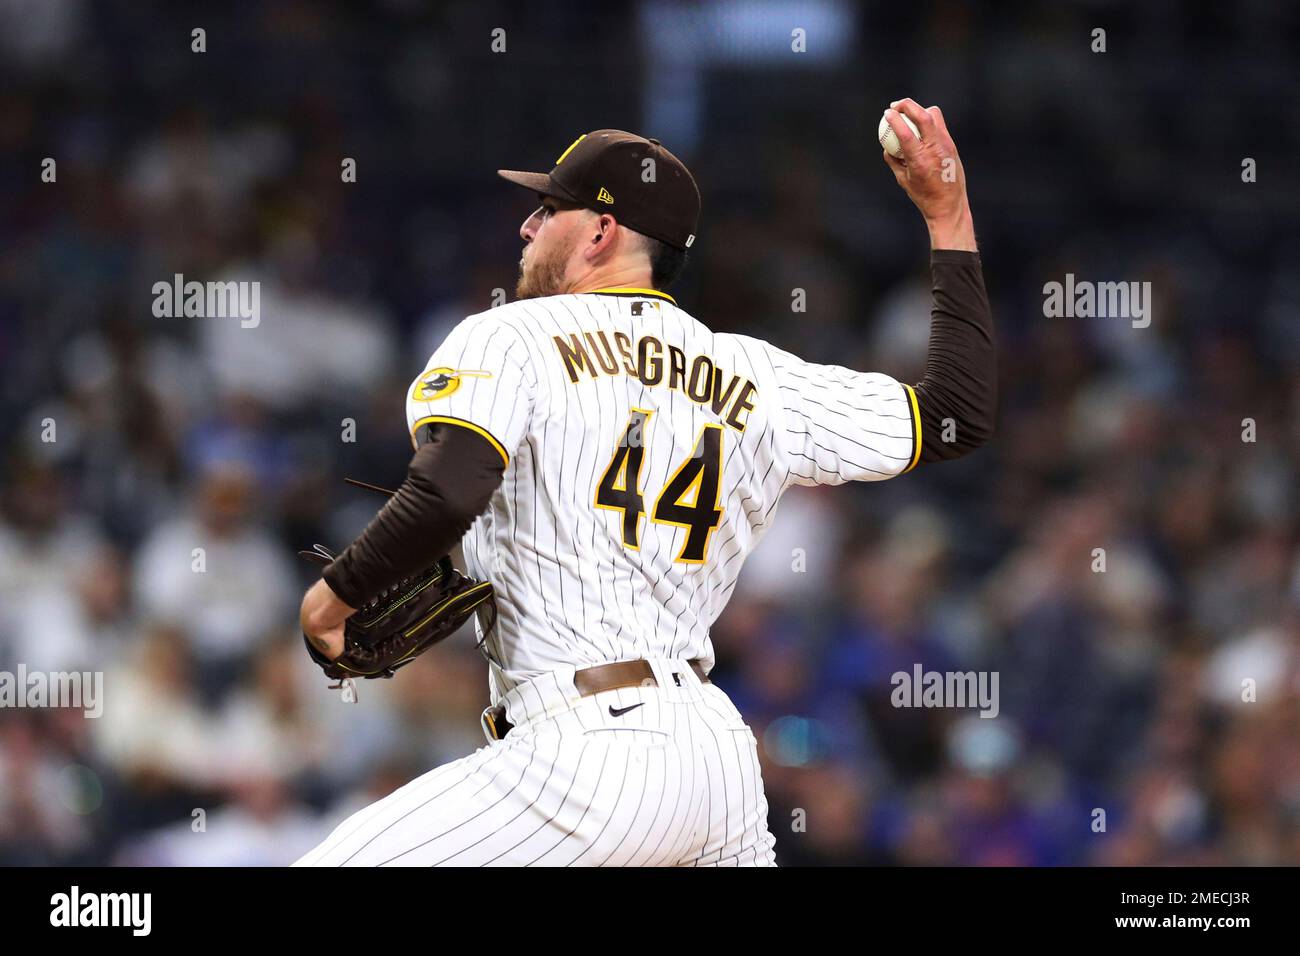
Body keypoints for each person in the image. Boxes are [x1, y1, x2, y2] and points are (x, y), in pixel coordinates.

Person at [294, 101, 995, 866]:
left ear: (600, 230)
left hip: (584, 757)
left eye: (547, 209)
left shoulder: (510, 336)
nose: (527, 229)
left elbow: (449, 491)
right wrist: (947, 210)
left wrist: (335, 598)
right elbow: (956, 414)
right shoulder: (755, 373)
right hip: (716, 761)